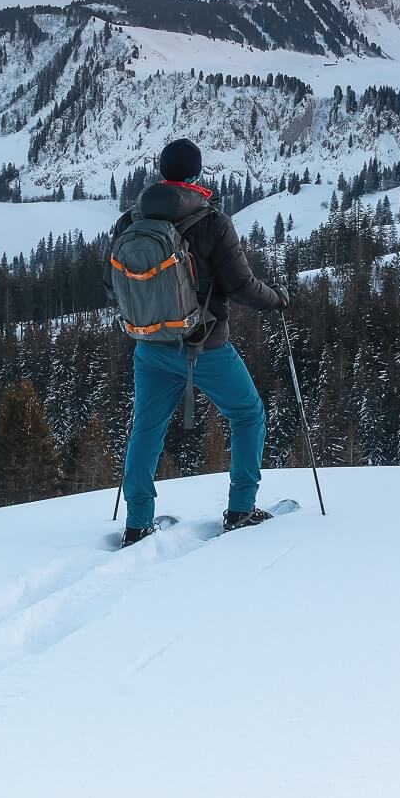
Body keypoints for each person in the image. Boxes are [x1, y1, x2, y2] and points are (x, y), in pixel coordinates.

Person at [108, 138, 288, 546]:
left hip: (149, 346)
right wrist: (276, 299)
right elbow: (241, 287)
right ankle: (240, 510)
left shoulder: (129, 221)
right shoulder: (213, 222)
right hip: (205, 347)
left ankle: (137, 524)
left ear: (162, 173)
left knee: (146, 430)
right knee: (247, 415)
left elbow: (112, 284)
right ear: (196, 175)